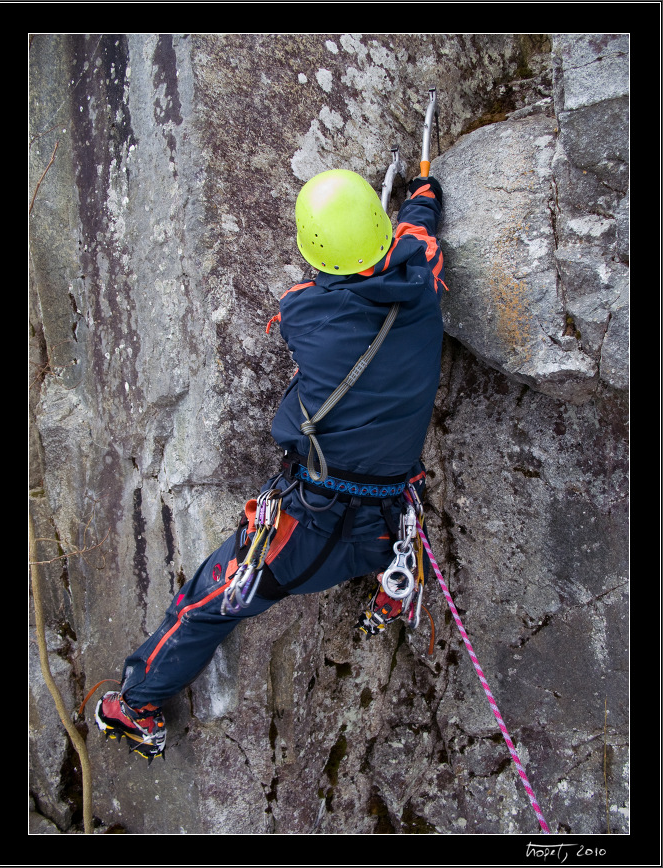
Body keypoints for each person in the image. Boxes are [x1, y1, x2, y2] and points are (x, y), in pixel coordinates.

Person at [94, 168, 445, 763]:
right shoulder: (426, 282)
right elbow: (419, 238)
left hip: (310, 521)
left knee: (214, 600)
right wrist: (424, 197)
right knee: (390, 544)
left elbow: (309, 297)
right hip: (390, 514)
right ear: (382, 233)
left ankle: (135, 701)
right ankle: (394, 586)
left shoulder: (305, 315)